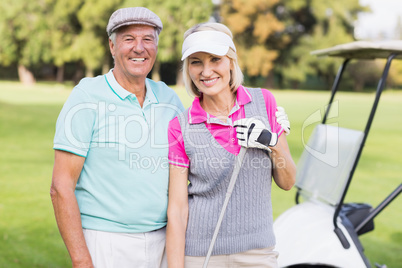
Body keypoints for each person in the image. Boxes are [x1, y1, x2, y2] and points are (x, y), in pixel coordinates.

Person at [50, 7, 184, 268]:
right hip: (106, 242)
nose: (139, 48)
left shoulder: (169, 99)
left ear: (156, 47)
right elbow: (61, 186)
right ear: (112, 46)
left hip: (165, 241)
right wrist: (82, 261)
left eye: (147, 39)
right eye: (128, 39)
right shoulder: (87, 96)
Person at [166, 22, 296, 268]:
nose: (206, 71)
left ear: (231, 61)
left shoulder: (263, 102)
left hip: (257, 254)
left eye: (215, 59)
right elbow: (178, 209)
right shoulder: (180, 126)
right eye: (196, 62)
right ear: (188, 69)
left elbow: (288, 182)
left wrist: (273, 142)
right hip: (200, 254)